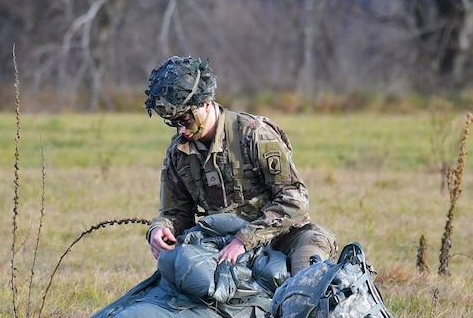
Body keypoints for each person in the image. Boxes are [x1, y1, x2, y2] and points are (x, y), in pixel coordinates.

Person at [144, 55, 337, 275]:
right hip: (220, 243)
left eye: (184, 120)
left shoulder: (253, 134)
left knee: (307, 271)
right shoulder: (179, 153)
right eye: (173, 123)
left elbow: (295, 200)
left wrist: (245, 239)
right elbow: (177, 213)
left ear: (205, 104)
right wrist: (160, 229)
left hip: (282, 237)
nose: (180, 130)